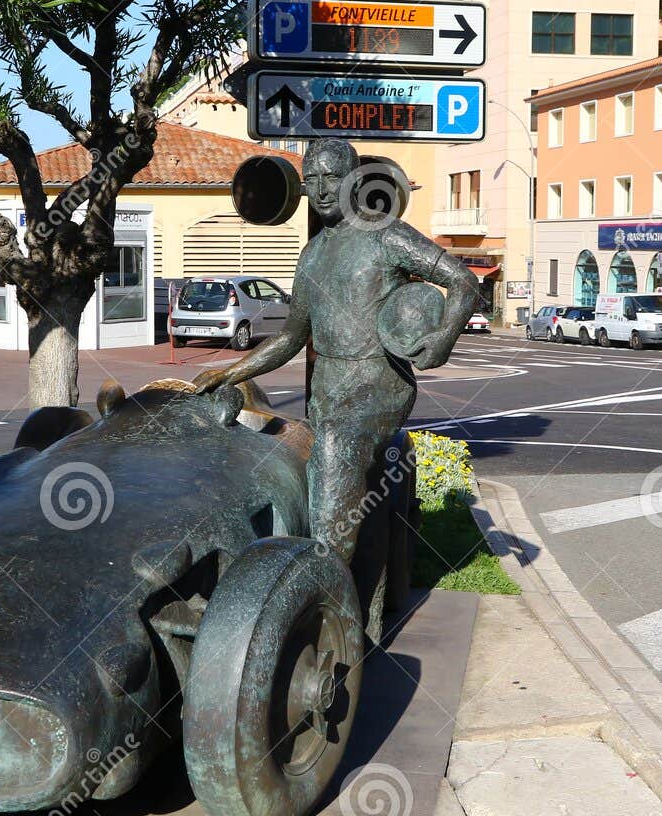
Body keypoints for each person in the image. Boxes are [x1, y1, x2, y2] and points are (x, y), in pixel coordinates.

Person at [193, 138, 478, 573]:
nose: (322, 188)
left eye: (332, 177)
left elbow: (463, 282)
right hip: (328, 391)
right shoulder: (310, 256)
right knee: (300, 458)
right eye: (312, 179)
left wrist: (441, 339)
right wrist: (230, 372)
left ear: (353, 181)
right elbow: (290, 338)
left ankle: (323, 585)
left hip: (379, 385)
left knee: (335, 446)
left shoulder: (384, 233)